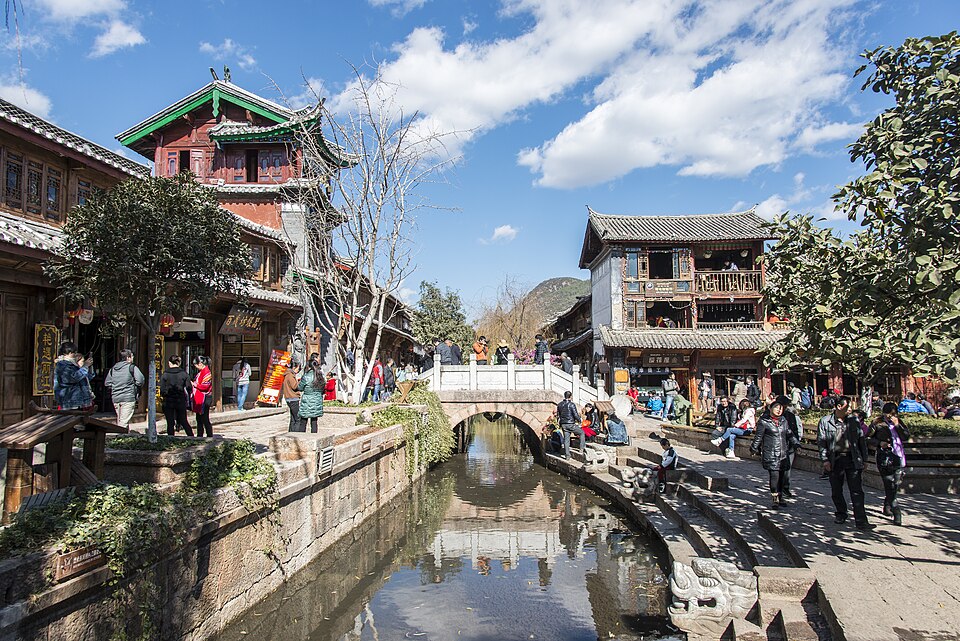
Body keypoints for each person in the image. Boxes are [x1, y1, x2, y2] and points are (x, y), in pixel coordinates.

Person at [817, 396, 874, 530]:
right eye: (847, 407)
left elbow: (861, 441)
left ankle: (861, 520)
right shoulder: (826, 422)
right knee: (836, 490)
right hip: (835, 459)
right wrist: (825, 460)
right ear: (839, 406)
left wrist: (865, 459)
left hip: (852, 458)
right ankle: (841, 513)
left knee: (857, 490)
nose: (850, 410)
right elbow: (822, 442)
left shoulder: (853, 421)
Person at [750, 399, 799, 509]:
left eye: (780, 408)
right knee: (774, 475)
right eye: (776, 407)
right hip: (771, 452)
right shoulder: (764, 422)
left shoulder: (784, 421)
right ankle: (775, 497)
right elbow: (758, 437)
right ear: (770, 408)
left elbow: (789, 433)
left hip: (783, 452)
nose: (779, 410)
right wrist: (754, 448)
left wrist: (796, 443)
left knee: (782, 476)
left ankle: (781, 496)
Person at [870, 402, 909, 525]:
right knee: (889, 483)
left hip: (898, 456)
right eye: (887, 414)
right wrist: (879, 443)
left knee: (896, 483)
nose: (890, 417)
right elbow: (867, 438)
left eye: (892, 414)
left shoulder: (899, 422)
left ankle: (888, 503)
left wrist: (898, 426)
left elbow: (906, 436)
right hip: (884, 458)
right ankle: (896, 510)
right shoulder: (877, 423)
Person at [105, 349, 145, 429]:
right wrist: (133, 386)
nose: (133, 358)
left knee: (121, 419)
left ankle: (124, 436)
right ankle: (120, 438)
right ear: (128, 357)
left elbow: (107, 383)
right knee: (123, 422)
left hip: (116, 398)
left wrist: (116, 387)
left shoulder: (113, 369)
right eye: (132, 356)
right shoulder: (132, 367)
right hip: (128, 397)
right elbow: (140, 380)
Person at [54, 341, 95, 411]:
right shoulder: (62, 365)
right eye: (74, 352)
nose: (75, 354)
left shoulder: (73, 364)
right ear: (69, 353)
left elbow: (88, 377)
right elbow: (73, 378)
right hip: (70, 400)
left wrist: (89, 367)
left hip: (79, 400)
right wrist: (85, 366)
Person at [159, 355, 193, 437]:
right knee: (184, 421)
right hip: (180, 400)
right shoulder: (184, 374)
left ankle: (170, 439)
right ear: (179, 363)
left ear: (169, 363)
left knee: (170, 422)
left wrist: (165, 395)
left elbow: (162, 390)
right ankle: (191, 437)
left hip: (168, 400)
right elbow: (189, 387)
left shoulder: (165, 374)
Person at [297, 359, 325, 433]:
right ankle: (314, 438)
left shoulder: (306, 376)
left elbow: (300, 388)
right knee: (314, 421)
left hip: (307, 400)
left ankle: (301, 437)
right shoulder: (320, 376)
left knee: (303, 421)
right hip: (317, 400)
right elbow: (323, 388)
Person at [191, 356, 214, 438]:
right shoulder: (201, 372)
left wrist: (195, 384)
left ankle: (209, 434)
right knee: (199, 418)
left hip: (204, 398)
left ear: (200, 364)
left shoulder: (207, 372)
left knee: (205, 418)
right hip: (200, 397)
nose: (196, 367)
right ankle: (200, 434)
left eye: (196, 365)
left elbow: (205, 386)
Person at [556, 391, 583, 459]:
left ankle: (567, 456)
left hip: (563, 424)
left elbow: (558, 415)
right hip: (570, 423)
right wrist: (580, 420)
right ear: (570, 396)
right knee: (581, 433)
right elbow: (575, 414)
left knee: (566, 439)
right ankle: (581, 449)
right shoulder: (571, 404)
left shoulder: (559, 404)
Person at [282, 360, 304, 432]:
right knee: (297, 418)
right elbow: (294, 386)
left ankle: (291, 431)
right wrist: (301, 382)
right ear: (294, 367)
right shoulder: (290, 375)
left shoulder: (288, 375)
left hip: (289, 398)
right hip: (293, 398)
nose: (298, 370)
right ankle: (296, 433)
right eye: (298, 368)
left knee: (293, 418)